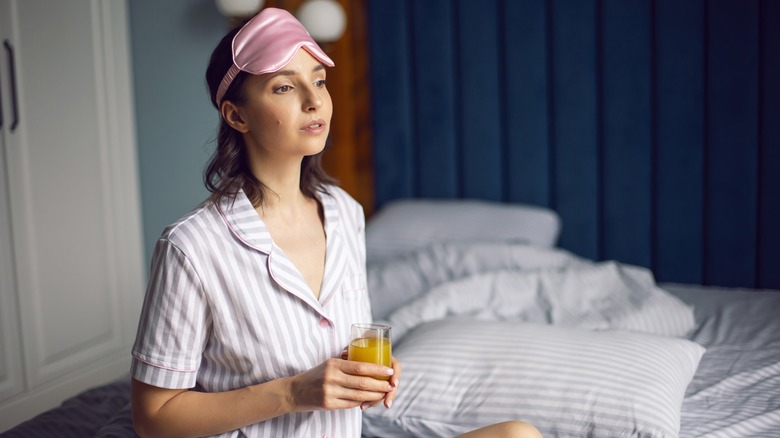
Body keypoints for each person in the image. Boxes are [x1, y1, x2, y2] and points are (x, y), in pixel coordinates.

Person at [130, 7, 541, 438]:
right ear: (236, 116)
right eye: (285, 86)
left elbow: (327, 344)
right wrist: (293, 393)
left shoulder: (345, 212)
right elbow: (153, 417)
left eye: (320, 81)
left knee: (518, 434)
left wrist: (360, 372)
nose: (314, 99)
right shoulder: (191, 247)